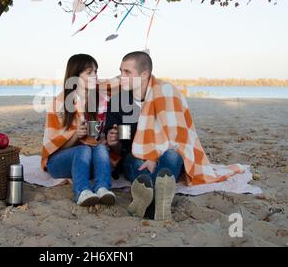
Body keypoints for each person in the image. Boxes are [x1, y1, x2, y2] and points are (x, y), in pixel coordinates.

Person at [105, 51, 243, 221]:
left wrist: (154, 155)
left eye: (127, 72)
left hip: (165, 152)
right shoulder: (118, 102)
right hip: (135, 154)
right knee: (137, 161)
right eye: (121, 71)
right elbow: (123, 145)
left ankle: (148, 201)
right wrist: (114, 143)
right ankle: (159, 202)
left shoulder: (166, 94)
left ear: (144, 75)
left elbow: (177, 137)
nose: (121, 76)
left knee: (172, 155)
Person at [41, 54, 116, 206]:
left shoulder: (100, 101)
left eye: (96, 71)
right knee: (83, 149)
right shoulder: (59, 104)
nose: (95, 76)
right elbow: (53, 148)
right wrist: (76, 135)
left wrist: (106, 139)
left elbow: (121, 83)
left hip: (89, 162)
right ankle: (82, 192)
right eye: (89, 72)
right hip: (58, 162)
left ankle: (102, 188)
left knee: (100, 148)